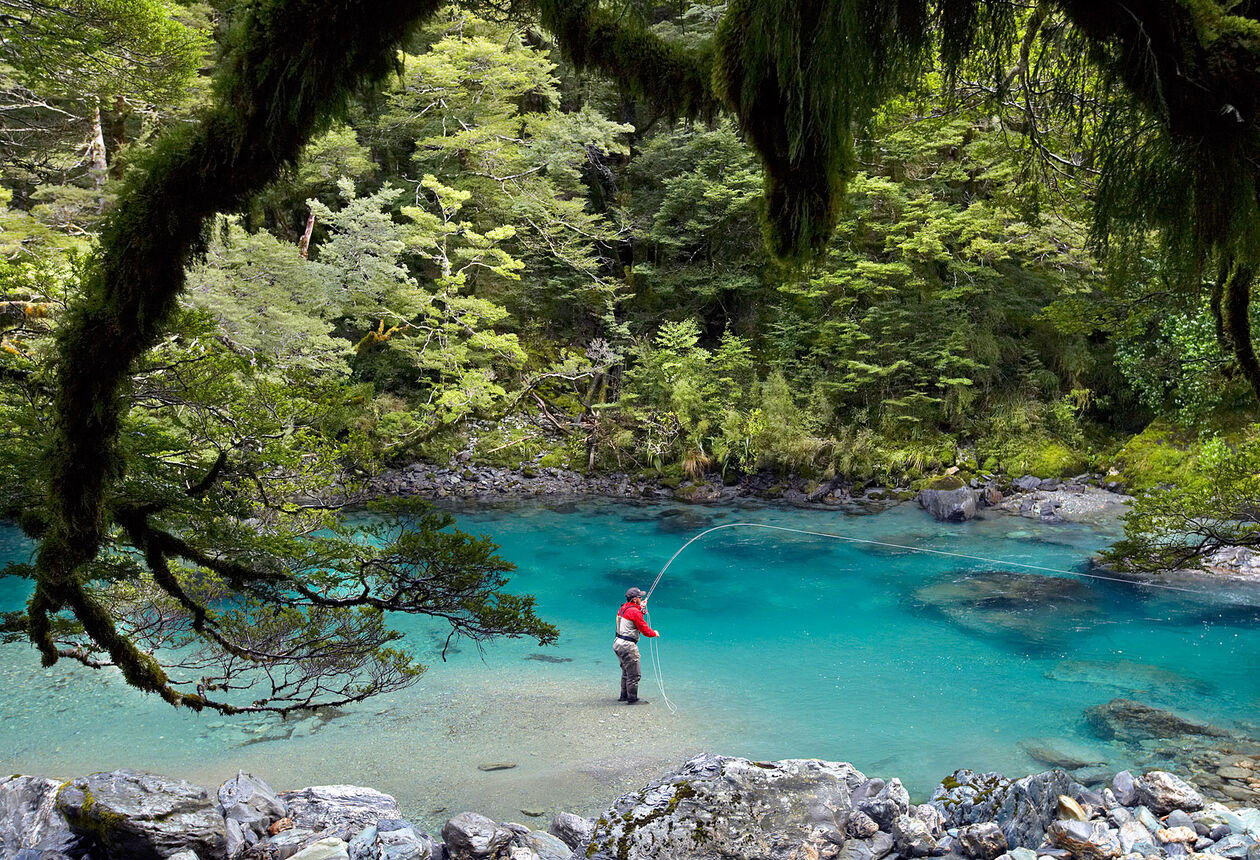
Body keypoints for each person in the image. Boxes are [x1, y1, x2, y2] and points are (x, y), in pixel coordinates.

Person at [613, 586, 659, 704]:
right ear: (634, 599)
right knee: (634, 675)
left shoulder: (623, 608)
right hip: (628, 646)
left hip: (618, 644)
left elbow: (632, 615)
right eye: (639, 597)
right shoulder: (634, 612)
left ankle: (623, 696)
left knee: (626, 672)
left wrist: (640, 608)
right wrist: (654, 633)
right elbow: (644, 629)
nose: (641, 598)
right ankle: (632, 700)